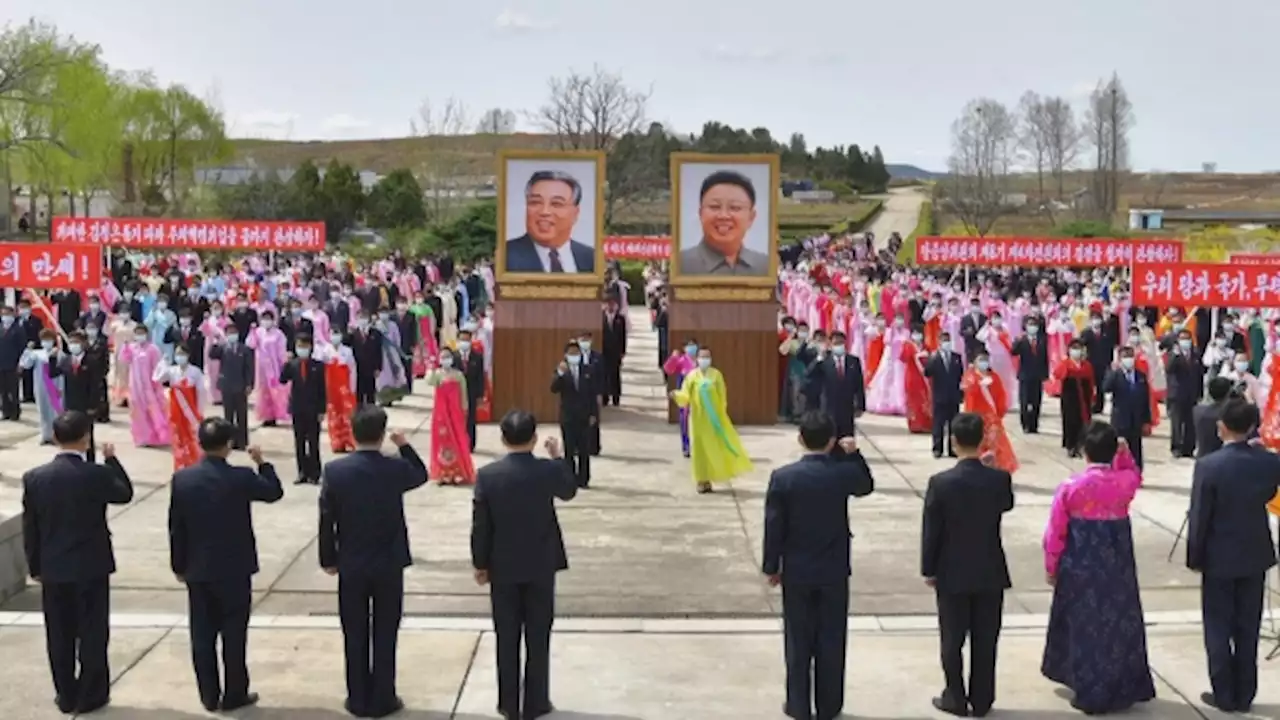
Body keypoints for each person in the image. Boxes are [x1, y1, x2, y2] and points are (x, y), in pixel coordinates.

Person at [762, 411, 875, 720]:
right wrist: (854, 455)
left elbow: (774, 526)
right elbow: (865, 486)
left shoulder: (783, 478)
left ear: (800, 439)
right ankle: (829, 705)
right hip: (833, 568)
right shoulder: (840, 474)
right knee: (831, 638)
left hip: (796, 570)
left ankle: (798, 704)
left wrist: (772, 566)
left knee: (798, 640)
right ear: (831, 442)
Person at [319, 406, 428, 718]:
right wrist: (405, 445)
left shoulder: (336, 472)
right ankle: (383, 696)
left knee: (354, 631)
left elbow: (327, 519)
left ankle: (358, 697)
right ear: (382, 435)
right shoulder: (394, 469)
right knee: (385, 631)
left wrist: (329, 557)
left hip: (351, 562)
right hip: (388, 562)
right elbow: (420, 474)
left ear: (353, 434)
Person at [22, 410, 133, 715]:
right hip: (92, 565)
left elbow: (31, 529)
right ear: (86, 439)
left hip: (54, 567)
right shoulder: (96, 474)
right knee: (93, 632)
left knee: (59, 634)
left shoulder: (35, 478)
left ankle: (66, 693)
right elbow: (124, 494)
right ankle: (92, 692)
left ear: (55, 437)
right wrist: (112, 461)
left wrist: (35, 567)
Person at [1041, 421, 1156, 714]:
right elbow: (1134, 474)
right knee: (1119, 623)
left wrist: (1052, 565)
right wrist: (1124, 454)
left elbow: (1055, 532)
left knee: (1083, 624)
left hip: (1080, 562)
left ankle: (1087, 685)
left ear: (1084, 451)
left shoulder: (1071, 487)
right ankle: (1123, 684)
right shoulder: (1123, 483)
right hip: (1116, 565)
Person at [470, 409, 578, 720]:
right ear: (533, 439)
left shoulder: (488, 476)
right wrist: (559, 457)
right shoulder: (546, 471)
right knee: (538, 635)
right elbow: (569, 490)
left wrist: (480, 563)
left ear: (503, 439)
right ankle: (536, 702)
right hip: (540, 564)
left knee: (506, 636)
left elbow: (481, 525)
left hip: (502, 567)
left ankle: (508, 703)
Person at [168, 419, 283, 712]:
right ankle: (235, 693)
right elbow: (273, 492)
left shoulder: (183, 479)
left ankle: (209, 695)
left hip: (198, 568)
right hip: (235, 568)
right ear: (229, 445)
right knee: (234, 634)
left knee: (202, 635)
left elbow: (176, 528)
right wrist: (263, 463)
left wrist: (178, 565)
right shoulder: (241, 477)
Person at [1186, 399, 1280, 713]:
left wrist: (1195, 556)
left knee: (1217, 627)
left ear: (1223, 426)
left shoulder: (1209, 465)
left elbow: (1200, 516)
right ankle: (1245, 693)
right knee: (1247, 627)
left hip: (1218, 555)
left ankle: (1224, 692)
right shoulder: (1269, 463)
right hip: (1254, 552)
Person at [921, 412, 1014, 718]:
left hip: (952, 571)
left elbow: (931, 531)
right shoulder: (999, 479)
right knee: (986, 640)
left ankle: (955, 696)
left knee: (952, 640)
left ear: (954, 441)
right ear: (983, 439)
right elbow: (1006, 504)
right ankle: (983, 699)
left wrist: (929, 569)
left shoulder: (941, 483)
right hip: (989, 569)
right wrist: (990, 468)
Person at [670, 346, 753, 494]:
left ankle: (711, 478)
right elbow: (686, 396)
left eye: (707, 357)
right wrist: (676, 395)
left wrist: (721, 415)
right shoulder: (692, 376)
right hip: (697, 419)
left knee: (713, 448)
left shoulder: (716, 375)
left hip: (713, 419)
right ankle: (701, 480)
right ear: (697, 358)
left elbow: (722, 397)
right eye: (702, 357)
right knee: (699, 449)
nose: (704, 360)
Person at [678, 170, 770, 276]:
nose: (723, 216)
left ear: (751, 217)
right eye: (714, 207)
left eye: (735, 208)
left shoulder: (765, 266)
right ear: (700, 213)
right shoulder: (681, 264)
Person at [504, 170, 596, 273]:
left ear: (575, 213)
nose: (544, 212)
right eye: (535, 202)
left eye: (556, 204)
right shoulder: (505, 256)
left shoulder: (592, 258)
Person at [550, 341, 598, 488]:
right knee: (569, 449)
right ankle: (570, 479)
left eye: (576, 353)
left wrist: (593, 414)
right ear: (565, 355)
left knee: (584, 450)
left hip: (584, 416)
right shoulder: (562, 371)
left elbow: (592, 395)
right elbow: (553, 388)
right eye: (571, 353)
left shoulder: (588, 370)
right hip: (568, 417)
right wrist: (559, 373)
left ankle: (583, 479)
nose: (574, 356)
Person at [961, 351, 1018, 474]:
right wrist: (978, 385)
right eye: (980, 360)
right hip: (976, 416)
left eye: (985, 360)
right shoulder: (970, 376)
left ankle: (999, 469)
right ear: (975, 362)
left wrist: (1000, 411)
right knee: (978, 444)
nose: (983, 363)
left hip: (992, 417)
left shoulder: (994, 377)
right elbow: (967, 392)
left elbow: (1001, 395)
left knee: (996, 443)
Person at [280, 335, 326, 485]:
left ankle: (315, 473)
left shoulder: (318, 366)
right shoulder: (292, 364)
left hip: (313, 409)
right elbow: (282, 380)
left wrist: (322, 410)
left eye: (305, 346)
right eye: (300, 346)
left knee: (313, 442)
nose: (302, 349)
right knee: (299, 442)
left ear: (311, 347)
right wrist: (285, 364)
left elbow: (322, 389)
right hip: (298, 408)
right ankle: (302, 472)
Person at [155, 347, 209, 472]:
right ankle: (180, 463)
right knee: (178, 437)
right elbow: (158, 378)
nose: (180, 356)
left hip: (190, 411)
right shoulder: (172, 370)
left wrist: (200, 410)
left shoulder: (195, 372)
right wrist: (163, 364)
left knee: (191, 436)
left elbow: (201, 391)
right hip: (176, 411)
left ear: (188, 355)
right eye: (178, 354)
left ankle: (194, 461)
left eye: (182, 354)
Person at [427, 350, 476, 484]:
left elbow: (463, 393)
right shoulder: (437, 375)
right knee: (442, 441)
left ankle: (456, 472)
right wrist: (431, 367)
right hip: (440, 414)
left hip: (455, 412)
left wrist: (464, 408)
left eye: (447, 357)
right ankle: (442, 473)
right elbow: (429, 382)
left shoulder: (458, 375)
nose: (445, 359)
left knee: (457, 439)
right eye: (442, 357)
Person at [50, 331, 101, 462]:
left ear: (84, 344)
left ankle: (90, 462)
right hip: (70, 404)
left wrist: (93, 405)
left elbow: (95, 384)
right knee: (72, 434)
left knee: (86, 435)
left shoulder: (92, 360)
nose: (73, 345)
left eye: (76, 342)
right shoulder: (66, 360)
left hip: (85, 405)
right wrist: (52, 358)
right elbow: (53, 373)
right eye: (71, 342)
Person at [806, 331, 866, 438]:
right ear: (830, 344)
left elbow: (859, 384)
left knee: (846, 436)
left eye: (841, 343)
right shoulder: (824, 361)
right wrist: (819, 358)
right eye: (836, 343)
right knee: (829, 435)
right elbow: (810, 374)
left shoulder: (854, 361)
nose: (839, 346)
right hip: (829, 406)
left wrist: (860, 406)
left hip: (847, 406)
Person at [1102, 346, 1151, 469]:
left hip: (1136, 420)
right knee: (1118, 449)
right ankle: (1117, 473)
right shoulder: (1116, 375)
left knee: (1136, 450)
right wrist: (1112, 371)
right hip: (1120, 420)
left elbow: (1145, 399)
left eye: (1130, 356)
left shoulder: (1140, 376)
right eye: (1125, 357)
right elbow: (1106, 388)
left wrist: (1146, 420)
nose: (1128, 359)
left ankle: (1137, 473)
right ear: (1120, 359)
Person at [208, 326, 255, 450]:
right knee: (228, 415)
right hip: (226, 385)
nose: (232, 335)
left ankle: (242, 442)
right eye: (229, 333)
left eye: (234, 332)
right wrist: (215, 342)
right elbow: (212, 355)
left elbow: (249, 368)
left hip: (240, 386)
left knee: (242, 415)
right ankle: (230, 441)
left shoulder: (245, 349)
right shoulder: (223, 348)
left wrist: (249, 384)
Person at [1053, 339, 1095, 458]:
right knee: (1070, 422)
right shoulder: (1065, 364)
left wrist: (1092, 397)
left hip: (1084, 398)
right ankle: (1070, 446)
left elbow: (1091, 382)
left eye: (1079, 348)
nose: (1076, 351)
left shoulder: (1087, 365)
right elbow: (1057, 374)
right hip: (1070, 399)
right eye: (1074, 348)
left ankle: (1080, 446)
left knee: (1083, 422)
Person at [924, 331, 964, 458]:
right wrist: (930, 359)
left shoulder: (956, 357)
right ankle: (937, 448)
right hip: (939, 396)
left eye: (948, 340)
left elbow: (960, 375)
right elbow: (927, 373)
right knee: (938, 424)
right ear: (939, 342)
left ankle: (952, 449)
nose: (946, 343)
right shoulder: (935, 357)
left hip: (953, 396)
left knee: (953, 425)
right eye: (944, 341)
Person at [247, 311, 290, 426]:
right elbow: (251, 344)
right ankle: (266, 416)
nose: (266, 321)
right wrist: (252, 332)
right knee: (263, 392)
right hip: (261, 368)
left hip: (274, 367)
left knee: (275, 391)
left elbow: (282, 351)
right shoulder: (258, 332)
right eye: (264, 318)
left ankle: (276, 415)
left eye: (268, 318)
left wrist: (284, 364)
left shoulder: (278, 334)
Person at [1166, 328, 1204, 458]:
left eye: (1187, 338)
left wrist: (1200, 392)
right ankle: (1176, 447)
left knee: (1191, 422)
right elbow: (1169, 369)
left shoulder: (1196, 353)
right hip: (1177, 393)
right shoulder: (1173, 354)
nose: (1185, 341)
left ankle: (1189, 448)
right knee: (1176, 422)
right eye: (1182, 339)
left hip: (1191, 393)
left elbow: (1199, 374)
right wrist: (1175, 356)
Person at [318, 330, 357, 453]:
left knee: (348, 415)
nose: (335, 336)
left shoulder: (347, 351)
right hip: (331, 389)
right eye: (332, 333)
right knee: (333, 415)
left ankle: (350, 441)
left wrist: (352, 387)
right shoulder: (324, 351)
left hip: (344, 389)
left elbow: (353, 369)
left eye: (337, 333)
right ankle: (336, 442)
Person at [1011, 316, 1050, 434]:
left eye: (1034, 325)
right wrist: (1017, 340)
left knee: (1036, 401)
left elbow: (1045, 358)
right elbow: (1013, 352)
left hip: (1037, 375)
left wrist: (1045, 374)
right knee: (1024, 401)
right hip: (1025, 375)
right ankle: (1025, 424)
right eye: (1030, 324)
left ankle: (1034, 425)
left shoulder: (1042, 340)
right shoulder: (1021, 340)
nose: (1032, 327)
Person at [454, 325, 486, 451]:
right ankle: (457, 442)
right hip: (456, 393)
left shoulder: (477, 357)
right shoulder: (454, 357)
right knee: (457, 418)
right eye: (462, 339)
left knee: (471, 419)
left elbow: (480, 377)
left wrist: (480, 395)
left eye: (467, 340)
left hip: (471, 392)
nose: (464, 342)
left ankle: (470, 444)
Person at [1194, 377, 1233, 459]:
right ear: (1228, 392)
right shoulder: (1229, 414)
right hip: (1222, 458)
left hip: (1202, 456)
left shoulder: (1197, 411)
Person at [0, 305, 26, 420]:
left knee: (13, 390)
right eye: (3, 314)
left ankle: (15, 412)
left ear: (13, 315)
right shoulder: (0, 328)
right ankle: (6, 411)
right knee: (3, 390)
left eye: (8, 314)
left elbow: (22, 347)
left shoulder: (18, 329)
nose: (5, 317)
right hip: (1, 363)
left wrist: (20, 363)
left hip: (13, 363)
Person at [601, 297, 627, 407]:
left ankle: (616, 397)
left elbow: (623, 336)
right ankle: (605, 397)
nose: (610, 306)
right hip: (604, 351)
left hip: (615, 351)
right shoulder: (600, 317)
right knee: (604, 374)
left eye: (613, 304)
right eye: (608, 304)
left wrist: (622, 351)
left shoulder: (620, 318)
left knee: (615, 374)